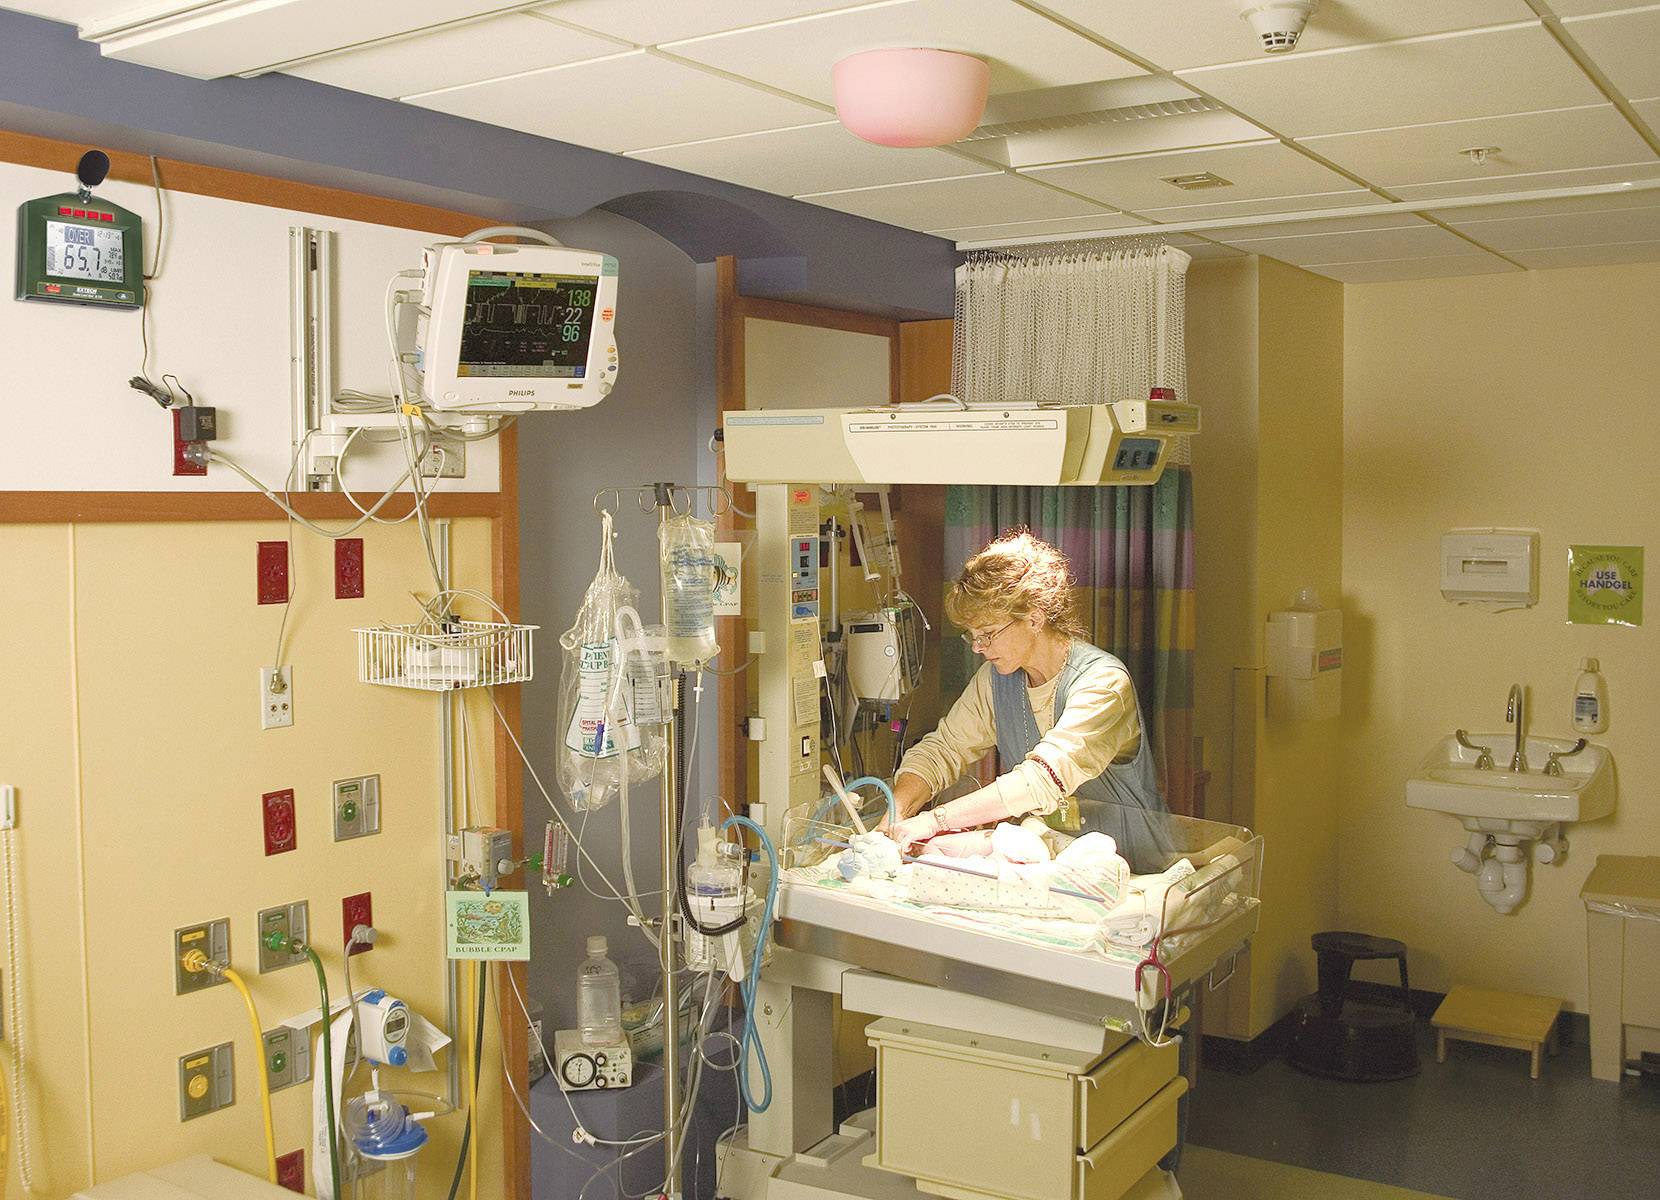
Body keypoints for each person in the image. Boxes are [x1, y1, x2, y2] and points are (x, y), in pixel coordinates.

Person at [887, 529, 1171, 868]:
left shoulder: (1103, 684)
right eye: (972, 637)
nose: (978, 647)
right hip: (1061, 862)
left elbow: (1041, 780)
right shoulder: (997, 681)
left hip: (1134, 865)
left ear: (1034, 618)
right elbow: (943, 750)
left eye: (988, 634)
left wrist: (936, 820)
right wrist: (897, 812)